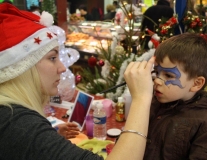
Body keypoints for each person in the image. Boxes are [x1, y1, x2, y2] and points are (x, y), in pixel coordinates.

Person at [0, 3, 154, 160]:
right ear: (22, 67)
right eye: (52, 58)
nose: (61, 67)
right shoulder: (19, 124)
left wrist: (49, 138)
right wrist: (141, 98)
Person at [142, 33, 207, 160]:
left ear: (196, 84)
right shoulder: (155, 104)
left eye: (168, 75)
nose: (157, 80)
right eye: (156, 72)